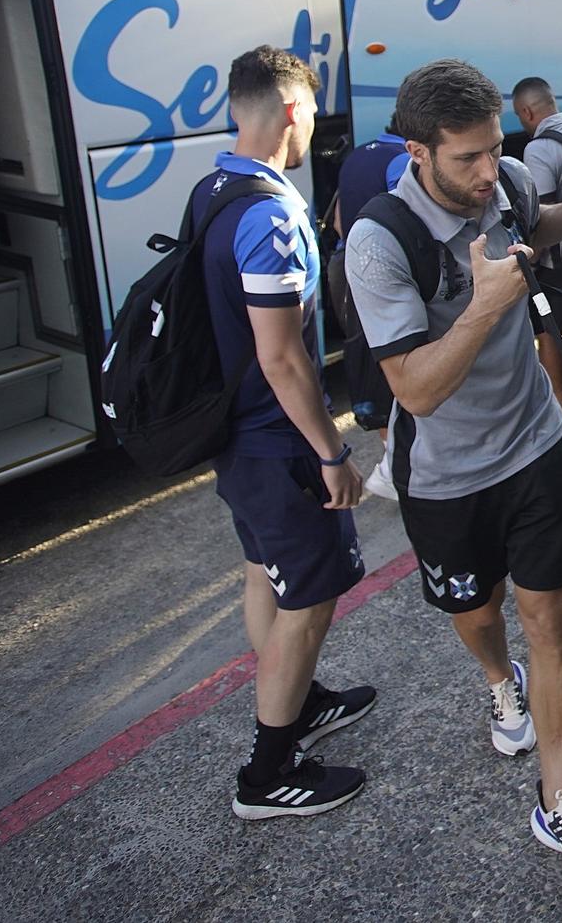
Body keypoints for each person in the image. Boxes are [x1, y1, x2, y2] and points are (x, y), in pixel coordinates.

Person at [344, 58, 562, 884]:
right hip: (444, 476)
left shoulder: (501, 181)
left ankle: (558, 795)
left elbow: (540, 222)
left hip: (535, 445)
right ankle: (499, 682)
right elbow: (415, 390)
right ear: (417, 150)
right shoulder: (379, 241)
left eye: (493, 149)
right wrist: (482, 306)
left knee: (550, 618)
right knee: (480, 612)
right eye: (465, 156)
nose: (485, 171)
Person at [194, 46, 373, 821]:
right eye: (312, 117)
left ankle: (298, 700)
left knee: (264, 568)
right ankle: (267, 773)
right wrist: (331, 450)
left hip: (236, 440)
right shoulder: (271, 214)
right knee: (311, 594)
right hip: (278, 441)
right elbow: (283, 355)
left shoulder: (214, 186)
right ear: (294, 109)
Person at [511, 75, 562, 417]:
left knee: (550, 334)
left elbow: (539, 217)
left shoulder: (538, 148)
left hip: (559, 265)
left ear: (527, 111)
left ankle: (560, 407)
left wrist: (530, 260)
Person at [331, 119, 410, 442]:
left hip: (346, 269)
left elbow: (338, 222)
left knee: (370, 361)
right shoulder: (401, 160)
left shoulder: (356, 155)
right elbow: (405, 218)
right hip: (381, 273)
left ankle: (389, 452)